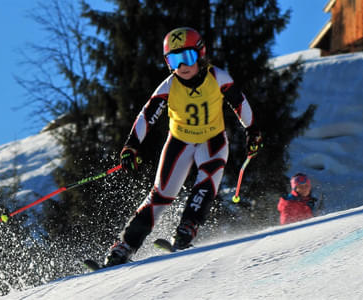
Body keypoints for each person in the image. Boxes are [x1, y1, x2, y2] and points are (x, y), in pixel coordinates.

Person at [104, 27, 263, 267]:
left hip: (213, 142)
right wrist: (131, 146)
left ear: (201, 54)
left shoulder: (217, 77)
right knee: (161, 194)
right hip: (179, 142)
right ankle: (124, 246)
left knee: (206, 183)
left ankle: (186, 229)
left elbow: (240, 103)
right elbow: (146, 116)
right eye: (174, 60)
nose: (182, 66)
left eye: (187, 57)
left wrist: (252, 131)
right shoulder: (169, 86)